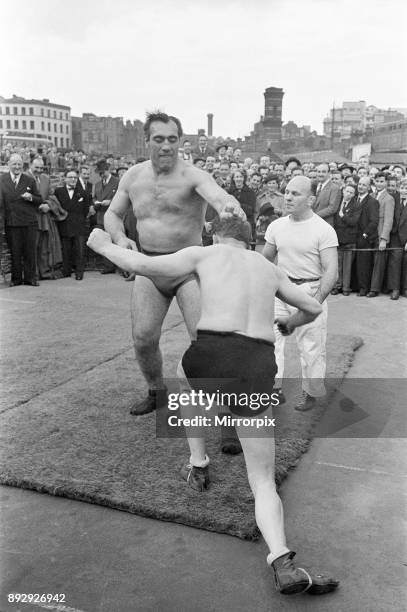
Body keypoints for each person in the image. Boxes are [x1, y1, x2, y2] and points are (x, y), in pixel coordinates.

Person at [88, 218, 339, 597]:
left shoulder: (201, 254)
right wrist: (290, 322)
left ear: (216, 235)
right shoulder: (269, 268)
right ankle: (282, 560)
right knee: (261, 479)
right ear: (250, 241)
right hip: (255, 365)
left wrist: (103, 246)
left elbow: (143, 265)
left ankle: (198, 462)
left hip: (208, 356)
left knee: (184, 376)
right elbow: (312, 306)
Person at [104, 111, 245, 453]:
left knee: (207, 342)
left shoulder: (193, 175)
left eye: (172, 139)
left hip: (189, 266)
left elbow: (219, 196)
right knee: (142, 338)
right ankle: (157, 391)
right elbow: (112, 214)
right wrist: (120, 238)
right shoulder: (133, 176)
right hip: (150, 265)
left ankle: (228, 417)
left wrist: (229, 207)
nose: (166, 145)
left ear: (180, 141)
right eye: (159, 139)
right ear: (147, 141)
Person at [263, 176, 338, 411]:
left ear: (311, 200)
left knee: (311, 347)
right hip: (280, 290)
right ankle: (273, 389)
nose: (287, 197)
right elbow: (265, 260)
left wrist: (314, 303)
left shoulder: (323, 230)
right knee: (271, 341)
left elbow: (331, 271)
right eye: (287, 192)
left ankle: (311, 392)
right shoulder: (276, 226)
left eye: (295, 194)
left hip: (309, 291)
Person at [0, 154, 42, 286]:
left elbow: (39, 199)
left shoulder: (29, 180)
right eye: (14, 164)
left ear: (23, 166)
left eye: (19, 164)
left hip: (29, 222)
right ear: (9, 165)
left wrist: (31, 197)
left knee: (30, 251)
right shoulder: (2, 180)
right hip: (11, 222)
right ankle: (16, 279)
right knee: (15, 251)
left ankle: (30, 279)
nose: (17, 167)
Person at [54, 170, 90, 280]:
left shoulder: (83, 192)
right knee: (66, 249)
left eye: (75, 177)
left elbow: (85, 210)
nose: (73, 179)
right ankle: (66, 271)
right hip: (64, 224)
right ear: (65, 178)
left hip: (79, 225)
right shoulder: (59, 192)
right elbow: (57, 207)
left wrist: (79, 220)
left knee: (79, 250)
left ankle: (79, 272)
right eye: (70, 177)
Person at [332, 183, 361, 295]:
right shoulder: (338, 202)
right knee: (338, 264)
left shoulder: (356, 205)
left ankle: (346, 287)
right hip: (337, 238)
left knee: (347, 266)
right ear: (343, 190)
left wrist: (343, 216)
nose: (348, 194)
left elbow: (354, 221)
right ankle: (337, 286)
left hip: (349, 239)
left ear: (354, 195)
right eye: (347, 191)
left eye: (351, 192)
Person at [94, 160, 120, 274]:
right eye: (99, 173)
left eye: (103, 172)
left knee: (116, 240)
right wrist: (95, 202)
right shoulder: (98, 184)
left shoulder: (117, 182)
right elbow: (94, 197)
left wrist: (110, 202)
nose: (101, 175)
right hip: (101, 215)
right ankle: (108, 265)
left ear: (108, 170)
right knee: (105, 240)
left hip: (113, 215)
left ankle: (120, 266)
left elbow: (122, 198)